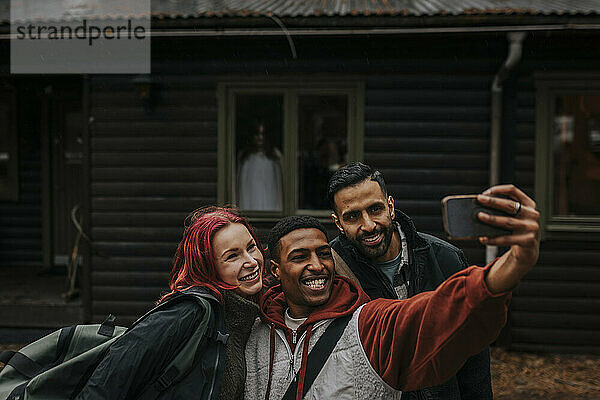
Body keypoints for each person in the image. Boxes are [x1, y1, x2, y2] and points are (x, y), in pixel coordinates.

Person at [245, 185, 540, 399]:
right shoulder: (255, 332)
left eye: (322, 255)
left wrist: (512, 265)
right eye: (299, 258)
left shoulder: (365, 322)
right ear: (275, 270)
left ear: (390, 205)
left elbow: (435, 314)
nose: (316, 265)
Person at [327, 162, 493, 399]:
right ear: (338, 224)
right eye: (353, 216)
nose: (368, 225)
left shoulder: (445, 259)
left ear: (391, 207)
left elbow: (474, 354)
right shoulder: (332, 271)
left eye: (375, 209)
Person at [76, 207, 264, 400]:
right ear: (207, 267)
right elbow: (108, 379)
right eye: (232, 256)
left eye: (251, 247)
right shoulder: (188, 313)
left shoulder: (244, 314)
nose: (251, 261)